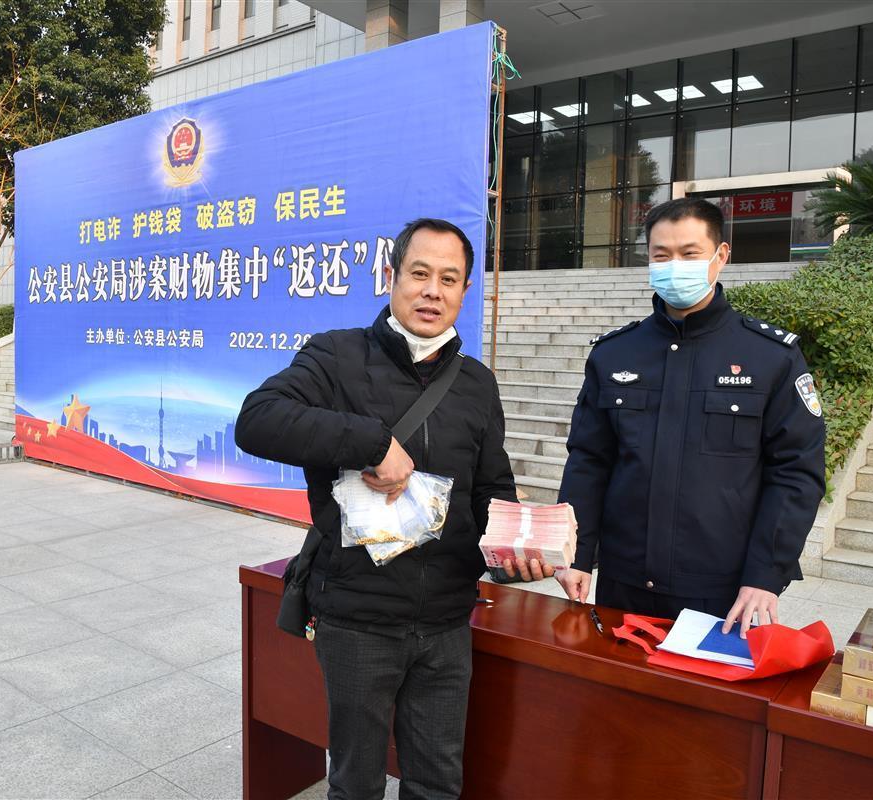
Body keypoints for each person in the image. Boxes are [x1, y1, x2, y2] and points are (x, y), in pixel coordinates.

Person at [235, 218, 546, 800]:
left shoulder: (476, 383)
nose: (432, 291)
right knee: (355, 783)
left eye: (449, 279)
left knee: (437, 782)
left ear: (465, 291)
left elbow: (491, 486)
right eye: (419, 273)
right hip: (358, 618)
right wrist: (372, 443)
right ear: (390, 276)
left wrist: (516, 548)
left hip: (446, 620)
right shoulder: (336, 356)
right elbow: (257, 420)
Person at [556, 197, 825, 638]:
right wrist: (576, 554)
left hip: (722, 590)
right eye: (662, 255)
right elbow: (589, 461)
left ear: (721, 255)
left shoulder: (770, 357)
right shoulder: (615, 353)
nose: (674, 266)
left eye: (689, 253)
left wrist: (765, 574)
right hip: (623, 581)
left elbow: (796, 472)